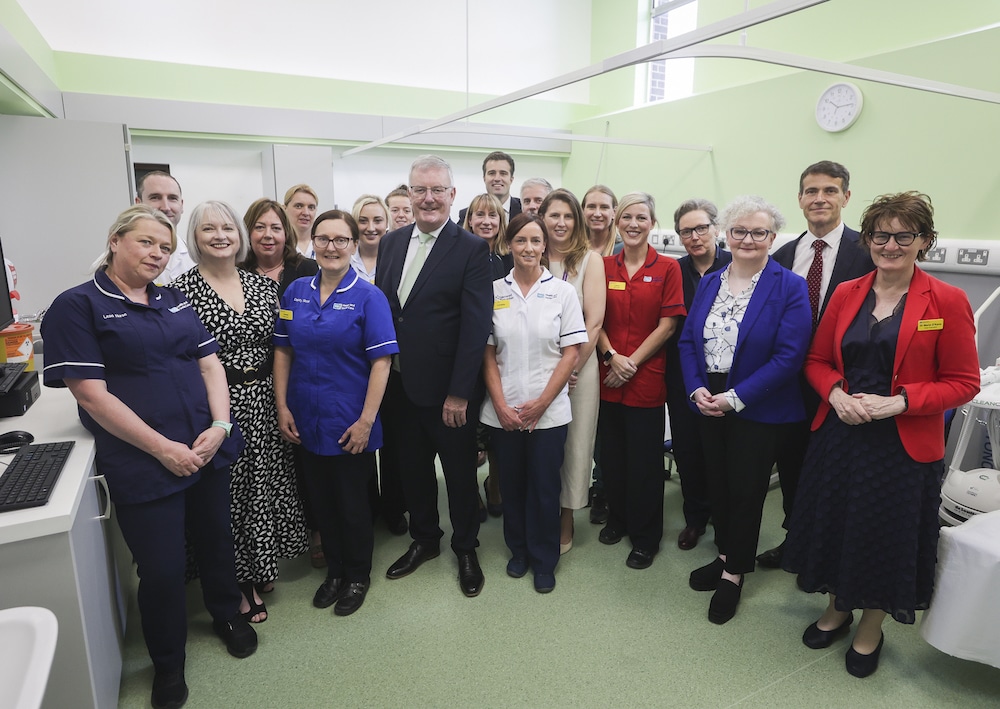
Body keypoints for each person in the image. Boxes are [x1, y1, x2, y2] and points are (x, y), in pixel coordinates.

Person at [41, 205, 255, 709]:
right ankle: (168, 662)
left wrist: (221, 425)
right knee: (160, 567)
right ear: (115, 240)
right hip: (144, 456)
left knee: (216, 541)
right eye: (145, 243)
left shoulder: (174, 300)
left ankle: (227, 613)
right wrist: (163, 448)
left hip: (204, 446)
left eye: (164, 247)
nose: (157, 254)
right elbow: (91, 394)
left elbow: (209, 365)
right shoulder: (78, 305)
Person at [782, 192, 979, 677]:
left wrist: (902, 401)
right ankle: (836, 608)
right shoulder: (848, 293)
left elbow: (964, 382)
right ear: (868, 239)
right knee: (838, 525)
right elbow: (816, 361)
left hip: (902, 446)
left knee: (882, 534)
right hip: (842, 434)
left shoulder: (947, 301)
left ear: (923, 241)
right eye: (880, 235)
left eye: (902, 235)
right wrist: (835, 396)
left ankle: (871, 625)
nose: (890, 245)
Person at [174, 201, 308, 625]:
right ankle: (239, 582)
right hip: (218, 407)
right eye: (208, 229)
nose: (220, 235)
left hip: (267, 399)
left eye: (227, 227)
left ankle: (261, 564)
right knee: (228, 498)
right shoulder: (180, 293)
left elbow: (282, 349)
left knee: (262, 490)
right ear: (194, 238)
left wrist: (286, 403)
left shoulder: (266, 287)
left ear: (240, 235)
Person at [679, 196, 811, 625]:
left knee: (746, 490)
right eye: (739, 231)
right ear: (725, 234)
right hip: (709, 398)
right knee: (716, 482)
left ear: (772, 238)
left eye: (759, 232)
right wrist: (697, 388)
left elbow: (790, 357)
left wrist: (735, 398)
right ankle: (724, 555)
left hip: (758, 403)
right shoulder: (711, 282)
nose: (748, 239)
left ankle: (735, 573)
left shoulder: (788, 285)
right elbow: (687, 342)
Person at [376, 155, 492, 597]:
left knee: (460, 474)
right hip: (400, 386)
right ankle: (425, 539)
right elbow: (392, 314)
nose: (428, 198)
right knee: (412, 471)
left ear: (451, 195)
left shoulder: (470, 249)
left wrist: (460, 393)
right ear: (408, 194)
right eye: (419, 190)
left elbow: (475, 325)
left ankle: (465, 546)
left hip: (448, 391)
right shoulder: (391, 243)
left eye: (437, 190)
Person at [274, 209, 398, 617]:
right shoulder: (295, 293)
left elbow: (382, 363)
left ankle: (358, 574)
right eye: (324, 239)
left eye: (341, 240)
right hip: (306, 417)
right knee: (322, 502)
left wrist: (366, 421)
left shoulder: (369, 297)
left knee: (352, 503)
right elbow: (283, 351)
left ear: (353, 244)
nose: (331, 247)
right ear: (314, 244)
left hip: (350, 420)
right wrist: (282, 406)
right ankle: (335, 571)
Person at [756, 160, 875, 569]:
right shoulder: (783, 254)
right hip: (789, 383)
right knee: (792, 469)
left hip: (846, 384)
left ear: (846, 196)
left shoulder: (870, 252)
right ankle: (797, 542)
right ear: (800, 199)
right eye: (811, 191)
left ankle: (832, 552)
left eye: (829, 190)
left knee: (837, 474)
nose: (819, 198)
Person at [481, 213, 588, 592]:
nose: (528, 248)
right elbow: (487, 354)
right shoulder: (494, 291)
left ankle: (545, 559)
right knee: (511, 484)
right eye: (521, 241)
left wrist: (542, 403)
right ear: (509, 244)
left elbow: (571, 352)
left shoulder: (562, 292)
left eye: (535, 241)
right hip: (504, 411)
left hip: (549, 411)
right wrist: (500, 404)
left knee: (544, 487)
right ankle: (519, 551)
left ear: (546, 246)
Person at [596, 192, 684, 570]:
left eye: (642, 217)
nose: (633, 224)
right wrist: (611, 357)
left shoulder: (668, 268)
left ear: (652, 223)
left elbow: (668, 325)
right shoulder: (601, 266)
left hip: (645, 378)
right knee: (611, 458)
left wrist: (629, 362)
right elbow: (593, 319)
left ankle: (645, 537)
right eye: (627, 217)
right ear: (617, 222)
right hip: (606, 376)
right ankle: (618, 519)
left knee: (645, 464)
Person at [539, 188, 606, 553]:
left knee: (574, 444)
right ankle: (539, 511)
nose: (561, 223)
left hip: (579, 369)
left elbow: (594, 323)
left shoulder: (589, 261)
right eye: (554, 215)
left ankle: (566, 518)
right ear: (542, 219)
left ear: (576, 221)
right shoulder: (529, 252)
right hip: (534, 369)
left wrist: (571, 369)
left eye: (568, 216)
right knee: (539, 446)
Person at [664, 199, 731, 550]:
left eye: (701, 228)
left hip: (728, 382)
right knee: (688, 451)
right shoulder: (673, 271)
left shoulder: (738, 267)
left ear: (716, 229)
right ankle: (695, 518)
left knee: (724, 455)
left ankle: (726, 522)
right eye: (686, 231)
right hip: (683, 379)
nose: (694, 236)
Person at [460, 192, 512, 518]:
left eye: (493, 215)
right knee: (467, 430)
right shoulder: (457, 257)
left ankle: (495, 484)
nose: (486, 221)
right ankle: (469, 491)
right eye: (479, 215)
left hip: (504, 356)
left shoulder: (509, 259)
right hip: (467, 355)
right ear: (469, 220)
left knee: (497, 428)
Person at [240, 197, 319, 297]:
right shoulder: (237, 272)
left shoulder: (306, 269)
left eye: (276, 228)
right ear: (247, 232)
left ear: (286, 234)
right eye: (259, 227)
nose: (268, 235)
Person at [136, 170, 194, 283]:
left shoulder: (196, 259)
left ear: (181, 205)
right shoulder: (116, 260)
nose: (166, 207)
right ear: (138, 203)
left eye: (172, 198)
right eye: (155, 197)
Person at [458, 150, 522, 224]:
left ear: (511, 179)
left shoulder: (524, 210)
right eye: (492, 173)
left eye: (503, 173)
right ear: (484, 178)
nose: (497, 178)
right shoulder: (468, 214)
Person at [350, 194, 389, 284]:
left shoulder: (397, 259)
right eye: (363, 221)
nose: (371, 228)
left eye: (377, 221)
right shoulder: (345, 259)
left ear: (387, 223)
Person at [583, 185, 621, 257]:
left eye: (604, 207)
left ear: (614, 213)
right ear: (583, 211)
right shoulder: (572, 250)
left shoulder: (624, 251)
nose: (597, 214)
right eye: (591, 207)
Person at [284, 184, 319, 258]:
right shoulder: (278, 246)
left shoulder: (323, 245)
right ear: (284, 209)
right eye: (298, 206)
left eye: (311, 207)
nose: (306, 213)